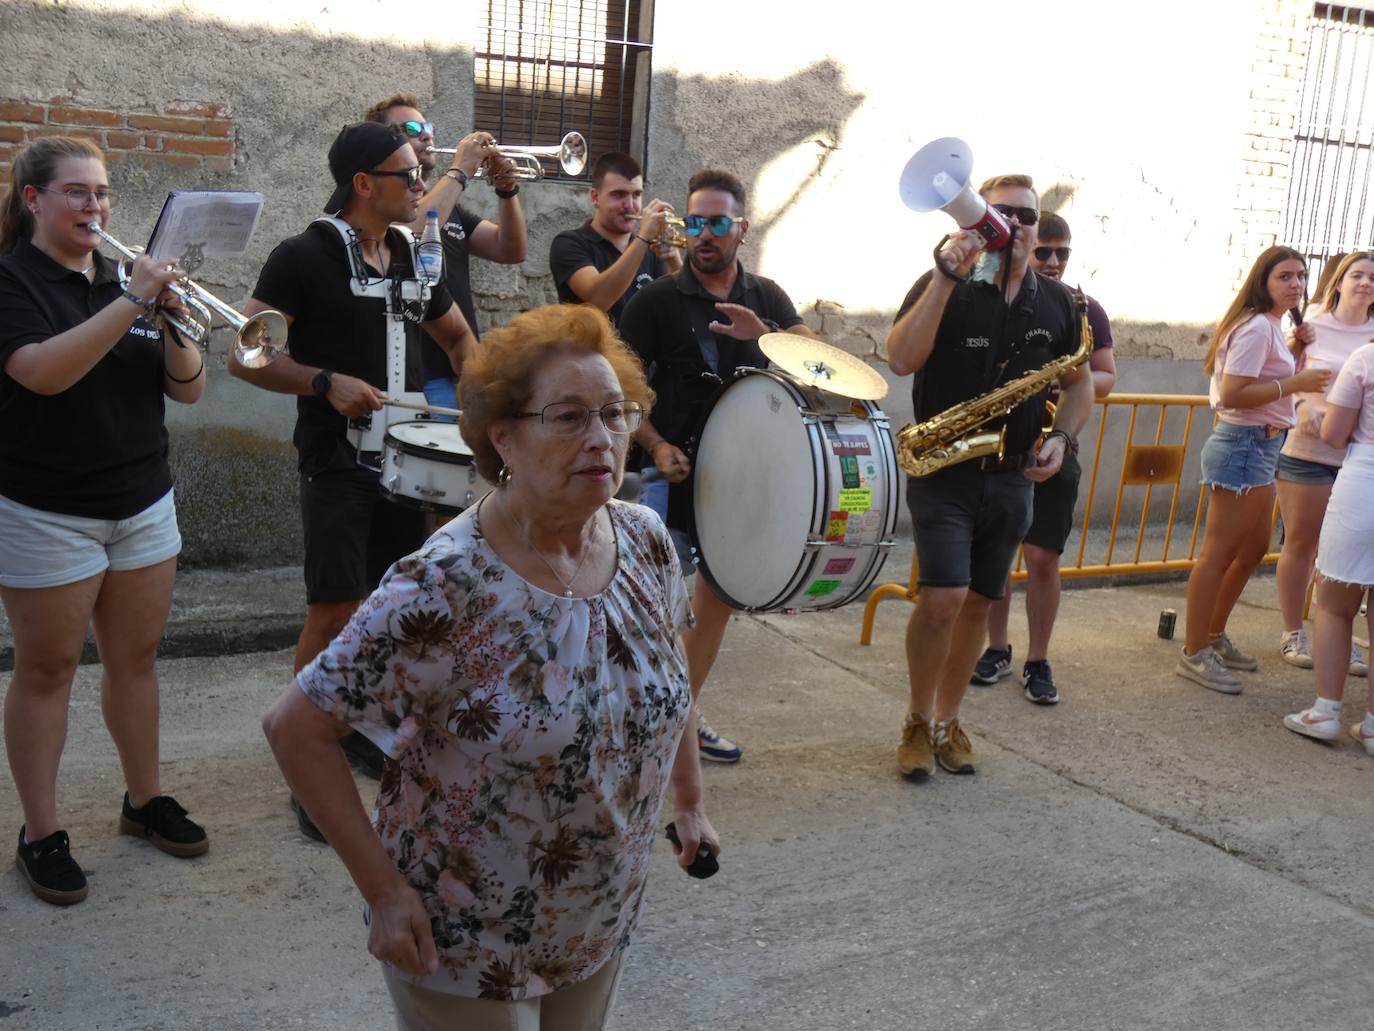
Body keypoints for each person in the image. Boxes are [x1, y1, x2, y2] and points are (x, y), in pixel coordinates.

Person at [261, 304, 717, 1029]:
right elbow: (295, 728)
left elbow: (669, 668)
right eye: (568, 417)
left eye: (614, 412)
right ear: (503, 435)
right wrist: (383, 893)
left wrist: (689, 797)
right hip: (463, 931)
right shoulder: (443, 584)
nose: (601, 438)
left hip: (599, 906)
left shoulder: (644, 537)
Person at [230, 122, 477, 829]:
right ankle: (309, 764)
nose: (421, 186)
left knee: (395, 610)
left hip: (407, 462)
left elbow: (457, 337)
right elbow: (244, 356)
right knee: (335, 610)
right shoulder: (303, 256)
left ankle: (366, 732)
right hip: (338, 462)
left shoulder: (407, 254)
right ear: (364, 183)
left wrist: (488, 405)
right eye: (408, 174)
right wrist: (323, 381)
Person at [0, 137, 210, 905]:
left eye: (104, 193)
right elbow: (41, 373)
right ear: (34, 200)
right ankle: (41, 830)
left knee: (138, 658)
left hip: (142, 498)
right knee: (48, 669)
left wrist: (176, 319)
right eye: (78, 193)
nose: (97, 206)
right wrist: (132, 304)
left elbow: (187, 391)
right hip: (46, 507)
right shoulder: (13, 280)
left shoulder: (125, 280)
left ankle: (142, 799)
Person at [885, 174, 1094, 779]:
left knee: (981, 600)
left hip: (1012, 475)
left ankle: (949, 721)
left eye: (1025, 216)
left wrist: (1060, 438)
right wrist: (948, 277)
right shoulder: (941, 285)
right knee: (942, 599)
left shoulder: (1056, 303)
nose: (1014, 225)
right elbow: (901, 359)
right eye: (998, 213)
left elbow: (1079, 385)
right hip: (945, 471)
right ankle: (917, 721)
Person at [618, 166, 814, 764]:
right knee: (650, 605)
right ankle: (631, 722)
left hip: (742, 477)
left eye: (717, 222)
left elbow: (821, 369)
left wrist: (770, 336)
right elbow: (622, 391)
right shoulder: (654, 299)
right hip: (668, 475)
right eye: (695, 221)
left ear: (742, 228)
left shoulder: (767, 297)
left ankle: (681, 718)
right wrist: (652, 445)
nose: (704, 233)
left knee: (714, 605)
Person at [1176, 245, 1331, 694]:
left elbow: (1260, 377)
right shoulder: (1257, 327)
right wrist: (1295, 382)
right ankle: (1194, 651)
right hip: (1243, 445)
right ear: (1263, 281)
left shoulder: (1270, 327)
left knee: (1253, 548)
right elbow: (1234, 393)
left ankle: (1211, 634)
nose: (1296, 284)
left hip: (1261, 446)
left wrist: (1291, 352)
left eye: (1301, 276)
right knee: (1219, 553)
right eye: (1284, 276)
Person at [977, 212, 1117, 704]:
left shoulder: (1082, 307)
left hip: (1056, 442)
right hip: (999, 447)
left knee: (1041, 559)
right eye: (1045, 252)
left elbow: (1104, 376)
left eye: (1063, 253)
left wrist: (1056, 380)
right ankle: (996, 648)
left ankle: (1038, 658)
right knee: (996, 558)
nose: (1054, 261)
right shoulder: (994, 297)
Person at [365, 94, 527, 418]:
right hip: (416, 378)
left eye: (428, 126)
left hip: (461, 371)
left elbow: (511, 250)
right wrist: (460, 171)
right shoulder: (382, 205)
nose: (427, 135)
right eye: (412, 128)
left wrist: (506, 191)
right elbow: (408, 230)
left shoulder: (451, 208)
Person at [1274, 251, 1373, 674]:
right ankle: (1293, 630)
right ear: (1338, 281)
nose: (1366, 283)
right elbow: (1282, 370)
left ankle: (1337, 633)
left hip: (1358, 458)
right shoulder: (1310, 324)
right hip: (1309, 451)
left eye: (1373, 277)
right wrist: (1300, 405)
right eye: (1358, 275)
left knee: (1344, 553)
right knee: (1302, 542)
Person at [1283, 337, 1374, 754]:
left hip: (1364, 483)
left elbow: (1335, 433)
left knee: (1334, 605)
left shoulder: (1366, 357)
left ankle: (1325, 711)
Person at [549, 151, 680, 326]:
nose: (630, 205)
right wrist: (644, 237)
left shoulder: (649, 249)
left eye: (636, 195)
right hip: (592, 352)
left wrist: (674, 259)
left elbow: (678, 306)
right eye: (619, 194)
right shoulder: (569, 243)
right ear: (596, 197)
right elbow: (598, 300)